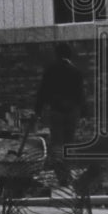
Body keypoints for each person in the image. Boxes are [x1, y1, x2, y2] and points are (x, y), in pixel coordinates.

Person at [33, 42, 86, 184]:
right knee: (69, 142)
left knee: (57, 142)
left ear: (57, 55)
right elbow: (80, 95)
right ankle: (66, 172)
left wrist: (37, 110)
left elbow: (43, 92)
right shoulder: (76, 72)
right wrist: (83, 113)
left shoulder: (51, 70)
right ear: (70, 55)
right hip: (72, 112)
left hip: (56, 110)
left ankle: (60, 172)